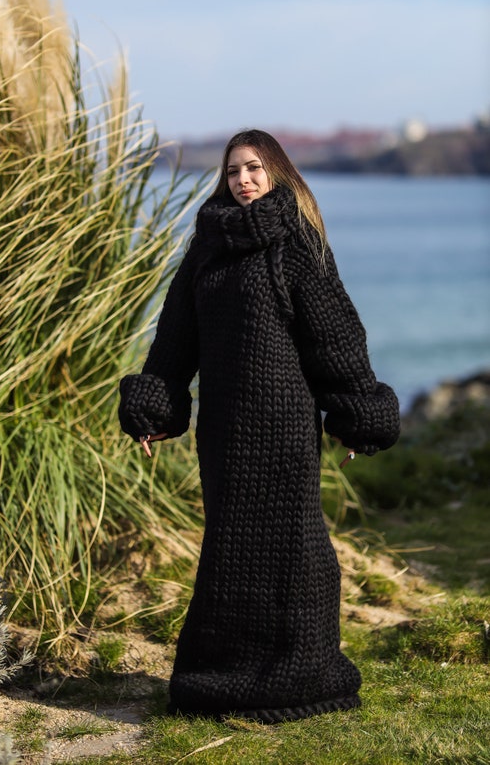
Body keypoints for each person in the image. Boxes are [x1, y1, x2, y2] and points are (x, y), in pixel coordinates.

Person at [119, 129, 400, 723]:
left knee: (296, 547)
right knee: (231, 547)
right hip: (224, 429)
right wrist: (156, 408)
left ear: (276, 172)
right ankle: (224, 676)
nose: (243, 180)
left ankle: (305, 671)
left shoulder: (297, 244)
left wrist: (355, 414)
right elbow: (175, 338)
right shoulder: (206, 248)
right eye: (232, 171)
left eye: (253, 168)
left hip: (285, 425)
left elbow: (335, 339)